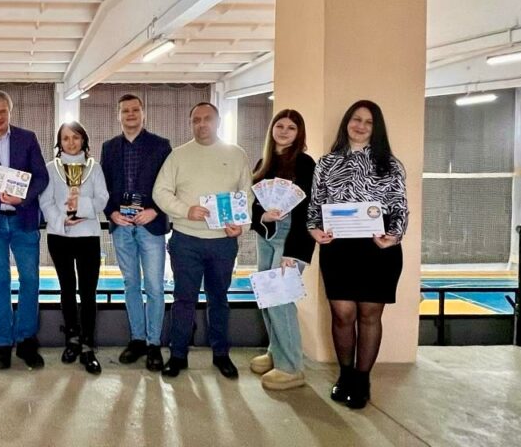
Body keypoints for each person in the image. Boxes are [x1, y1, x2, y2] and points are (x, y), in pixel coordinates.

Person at [307, 100, 407, 410]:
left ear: (376, 128)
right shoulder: (326, 162)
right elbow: (315, 206)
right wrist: (314, 230)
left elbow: (400, 207)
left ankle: (362, 380)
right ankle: (345, 375)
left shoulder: (390, 164)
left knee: (369, 315)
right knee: (342, 314)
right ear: (346, 122)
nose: (361, 126)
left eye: (368, 122)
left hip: (378, 249)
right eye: (356, 119)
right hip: (339, 248)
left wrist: (393, 237)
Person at [153, 102, 250, 379]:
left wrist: (242, 225)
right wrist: (186, 211)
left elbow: (246, 194)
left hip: (222, 242)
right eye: (196, 120)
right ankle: (178, 355)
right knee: (183, 300)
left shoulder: (236, 155)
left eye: (207, 119)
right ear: (190, 123)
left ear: (218, 122)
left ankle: (221, 354)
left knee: (219, 299)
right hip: (186, 240)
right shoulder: (178, 156)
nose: (201, 124)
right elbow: (160, 192)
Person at [0, 90, 50, 370]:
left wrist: (21, 197)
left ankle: (26, 340)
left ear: (10, 112)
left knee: (30, 280)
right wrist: (1, 194)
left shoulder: (28, 138)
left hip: (23, 219)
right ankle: (2, 343)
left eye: (3, 111)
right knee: (0, 281)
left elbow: (41, 177)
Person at [100, 93, 172, 371]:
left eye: (135, 110)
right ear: (118, 115)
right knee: (130, 284)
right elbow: (104, 187)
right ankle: (138, 339)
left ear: (143, 113)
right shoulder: (109, 148)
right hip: (121, 225)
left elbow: (170, 186)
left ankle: (154, 343)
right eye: (125, 111)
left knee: (154, 286)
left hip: (150, 224)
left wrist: (155, 210)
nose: (130, 114)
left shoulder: (161, 145)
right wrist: (111, 213)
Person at [248, 110, 316, 390]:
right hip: (266, 236)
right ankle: (276, 352)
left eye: (291, 127)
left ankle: (291, 367)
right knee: (267, 297)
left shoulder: (305, 163)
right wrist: (262, 216)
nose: (285, 131)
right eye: (280, 125)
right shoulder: (263, 163)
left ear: (299, 133)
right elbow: (253, 206)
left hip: (291, 239)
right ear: (272, 129)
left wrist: (294, 252)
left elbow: (309, 210)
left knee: (280, 300)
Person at [39, 121, 109, 374]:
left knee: (88, 292)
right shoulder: (51, 168)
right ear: (60, 142)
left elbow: (103, 198)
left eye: (76, 137)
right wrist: (62, 219)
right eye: (66, 138)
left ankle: (88, 344)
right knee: (67, 289)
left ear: (84, 140)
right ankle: (72, 339)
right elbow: (45, 201)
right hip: (60, 236)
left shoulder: (94, 168)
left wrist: (79, 208)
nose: (71, 142)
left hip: (88, 235)